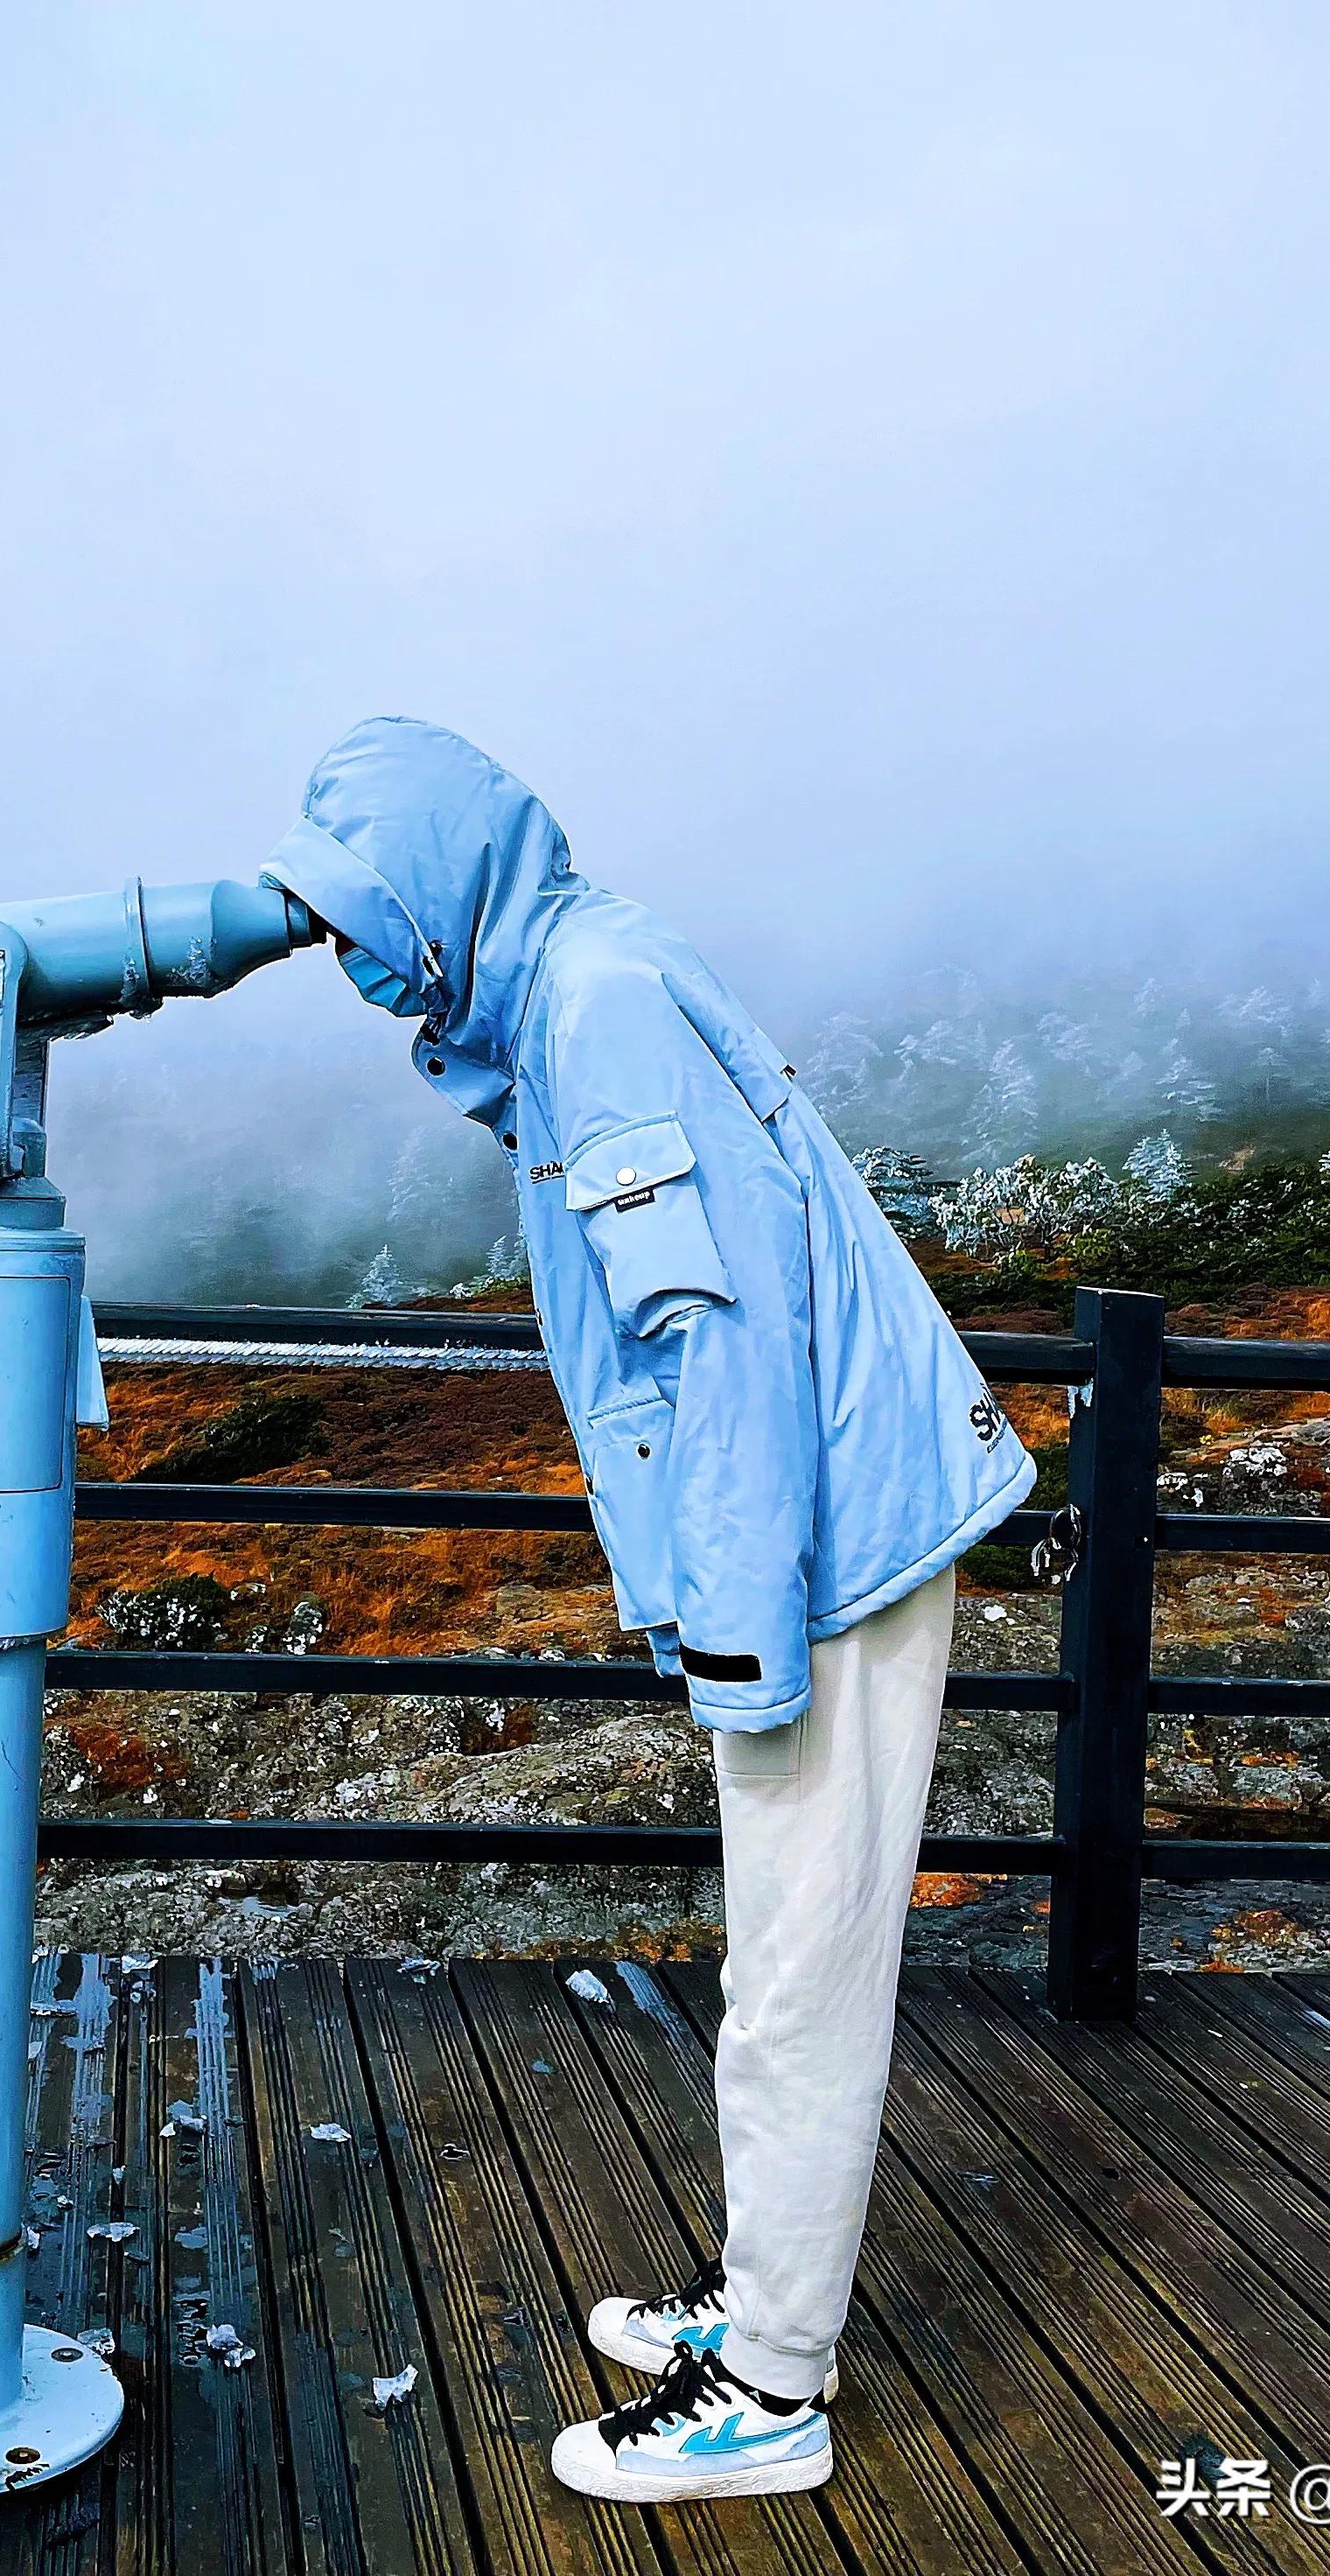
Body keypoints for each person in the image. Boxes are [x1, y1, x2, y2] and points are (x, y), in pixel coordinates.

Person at [263, 718, 1033, 2509]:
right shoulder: (577, 972)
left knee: (796, 1972)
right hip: (824, 1520)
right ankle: (756, 2299)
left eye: (367, 916)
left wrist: (742, 1617)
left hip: (821, 1540)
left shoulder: (596, 1003)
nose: (353, 959)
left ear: (448, 882)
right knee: (781, 1954)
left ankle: (770, 2385)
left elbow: (724, 1329)